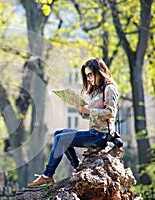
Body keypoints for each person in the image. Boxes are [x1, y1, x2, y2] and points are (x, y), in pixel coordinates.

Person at [27, 57, 119, 187]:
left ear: (99, 71)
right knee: (58, 134)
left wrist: (88, 111)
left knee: (61, 139)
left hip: (101, 135)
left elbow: (110, 113)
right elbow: (93, 116)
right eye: (86, 76)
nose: (88, 78)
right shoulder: (96, 91)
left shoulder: (110, 88)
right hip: (93, 132)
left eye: (90, 74)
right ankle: (78, 166)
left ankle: (47, 175)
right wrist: (80, 109)